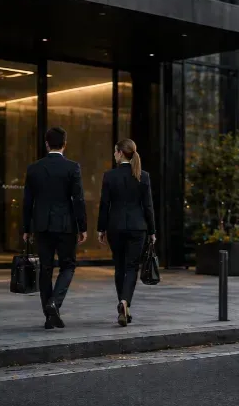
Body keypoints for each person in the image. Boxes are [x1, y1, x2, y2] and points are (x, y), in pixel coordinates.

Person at [22, 127, 88, 329]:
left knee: (46, 268)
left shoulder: (34, 168)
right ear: (64, 144)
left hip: (41, 225)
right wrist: (82, 226)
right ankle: (54, 304)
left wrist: (26, 228)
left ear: (46, 144)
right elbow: (78, 200)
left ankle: (49, 315)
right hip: (65, 225)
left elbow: (27, 202)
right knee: (68, 265)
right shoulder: (72, 167)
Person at [97, 139, 156, 327]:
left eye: (115, 152)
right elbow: (148, 207)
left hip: (115, 227)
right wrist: (152, 231)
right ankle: (125, 303)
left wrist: (101, 228)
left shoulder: (109, 176)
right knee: (131, 267)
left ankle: (123, 304)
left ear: (121, 153)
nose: (114, 155)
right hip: (138, 227)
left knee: (119, 267)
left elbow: (104, 205)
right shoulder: (143, 176)